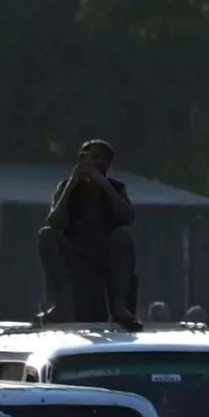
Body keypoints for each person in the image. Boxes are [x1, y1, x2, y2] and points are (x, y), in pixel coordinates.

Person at [37, 139, 139, 327]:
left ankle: (119, 307)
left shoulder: (116, 187)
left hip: (105, 251)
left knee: (123, 236)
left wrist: (104, 186)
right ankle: (60, 305)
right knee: (47, 235)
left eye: (100, 158)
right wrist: (72, 184)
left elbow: (127, 217)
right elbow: (53, 221)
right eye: (89, 157)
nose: (94, 163)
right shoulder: (67, 186)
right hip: (73, 250)